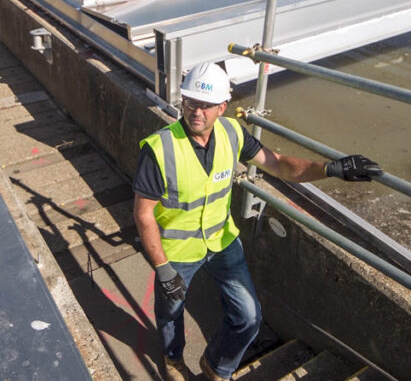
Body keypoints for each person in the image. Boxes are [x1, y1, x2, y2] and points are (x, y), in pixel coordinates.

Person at [133, 62, 382, 381]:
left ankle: (217, 366)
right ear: (182, 101)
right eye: (191, 102)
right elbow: (143, 215)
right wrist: (163, 269)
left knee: (249, 317)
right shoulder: (160, 148)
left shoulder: (233, 133)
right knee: (171, 313)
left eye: (207, 105)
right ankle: (172, 360)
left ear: (222, 107)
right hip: (177, 251)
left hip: (222, 242)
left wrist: (330, 169)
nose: (197, 112)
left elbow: (279, 166)